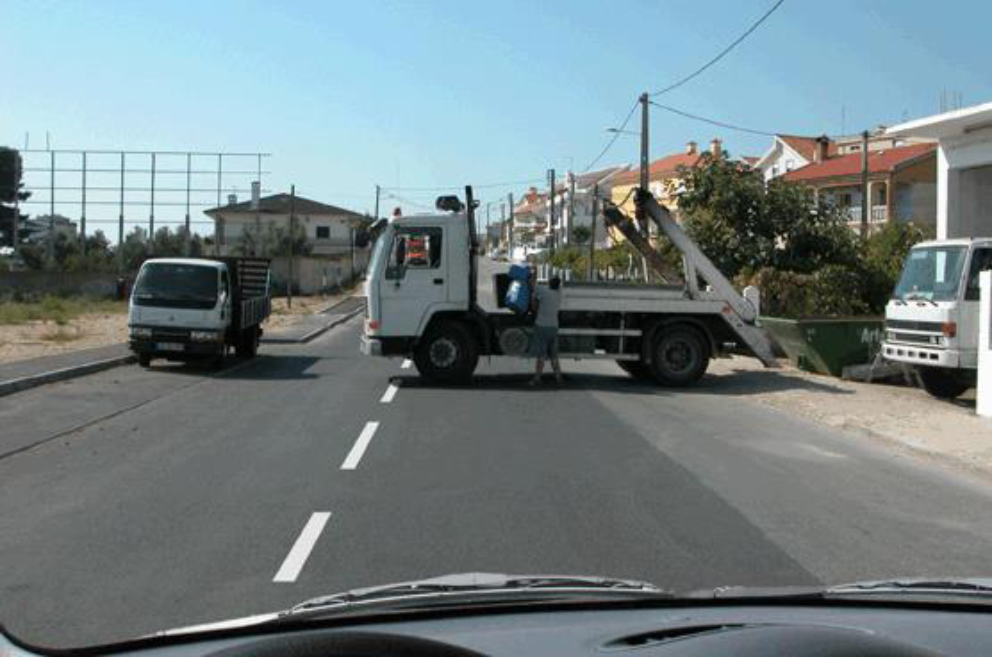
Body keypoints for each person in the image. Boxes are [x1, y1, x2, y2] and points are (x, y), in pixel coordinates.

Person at [530, 275, 563, 386]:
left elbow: (534, 299)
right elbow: (558, 286)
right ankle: (558, 378)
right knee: (554, 355)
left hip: (541, 326)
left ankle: (537, 378)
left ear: (549, 283)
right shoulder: (559, 294)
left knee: (541, 355)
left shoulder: (543, 292)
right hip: (554, 327)